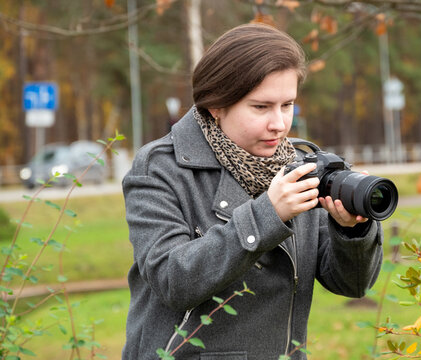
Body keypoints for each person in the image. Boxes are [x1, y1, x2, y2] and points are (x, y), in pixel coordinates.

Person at [121, 23, 383, 360]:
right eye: (261, 107)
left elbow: (351, 285)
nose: (279, 124)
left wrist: (352, 230)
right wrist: (268, 214)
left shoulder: (298, 166)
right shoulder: (161, 168)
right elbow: (173, 280)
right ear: (216, 105)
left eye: (287, 105)